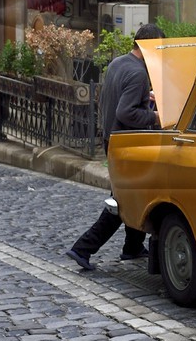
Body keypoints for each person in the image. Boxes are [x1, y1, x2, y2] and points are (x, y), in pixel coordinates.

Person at [66, 23, 165, 271]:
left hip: (112, 138)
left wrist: (146, 97)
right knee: (121, 199)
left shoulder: (118, 63)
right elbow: (126, 112)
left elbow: (116, 100)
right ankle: (83, 248)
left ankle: (132, 248)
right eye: (159, 47)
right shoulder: (139, 73)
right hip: (128, 143)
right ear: (148, 45)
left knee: (137, 194)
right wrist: (155, 118)